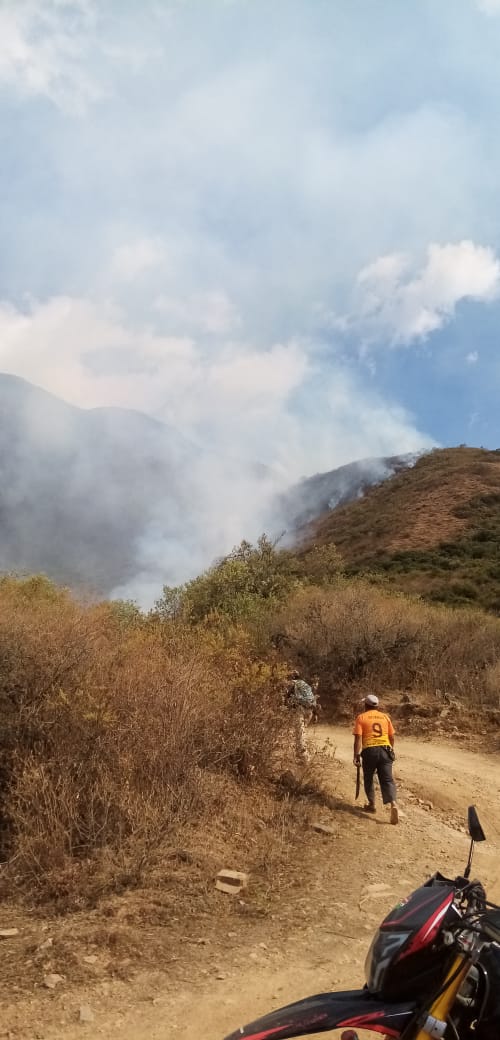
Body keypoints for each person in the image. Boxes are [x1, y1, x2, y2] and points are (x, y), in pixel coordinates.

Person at [353, 693, 399, 825]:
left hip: (369, 751)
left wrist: (356, 755)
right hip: (385, 749)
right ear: (377, 706)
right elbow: (392, 737)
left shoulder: (361, 717)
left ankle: (372, 804)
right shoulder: (385, 717)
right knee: (387, 779)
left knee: (368, 777)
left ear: (365, 705)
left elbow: (358, 739)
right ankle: (393, 804)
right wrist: (391, 749)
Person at [284, 670, 317, 763]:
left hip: (300, 709)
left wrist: (285, 707)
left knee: (299, 734)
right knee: (301, 733)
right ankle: (301, 754)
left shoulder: (292, 684)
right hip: (309, 711)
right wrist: (315, 713)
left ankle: (304, 758)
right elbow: (312, 699)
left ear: (291, 677)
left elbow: (287, 697)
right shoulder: (305, 684)